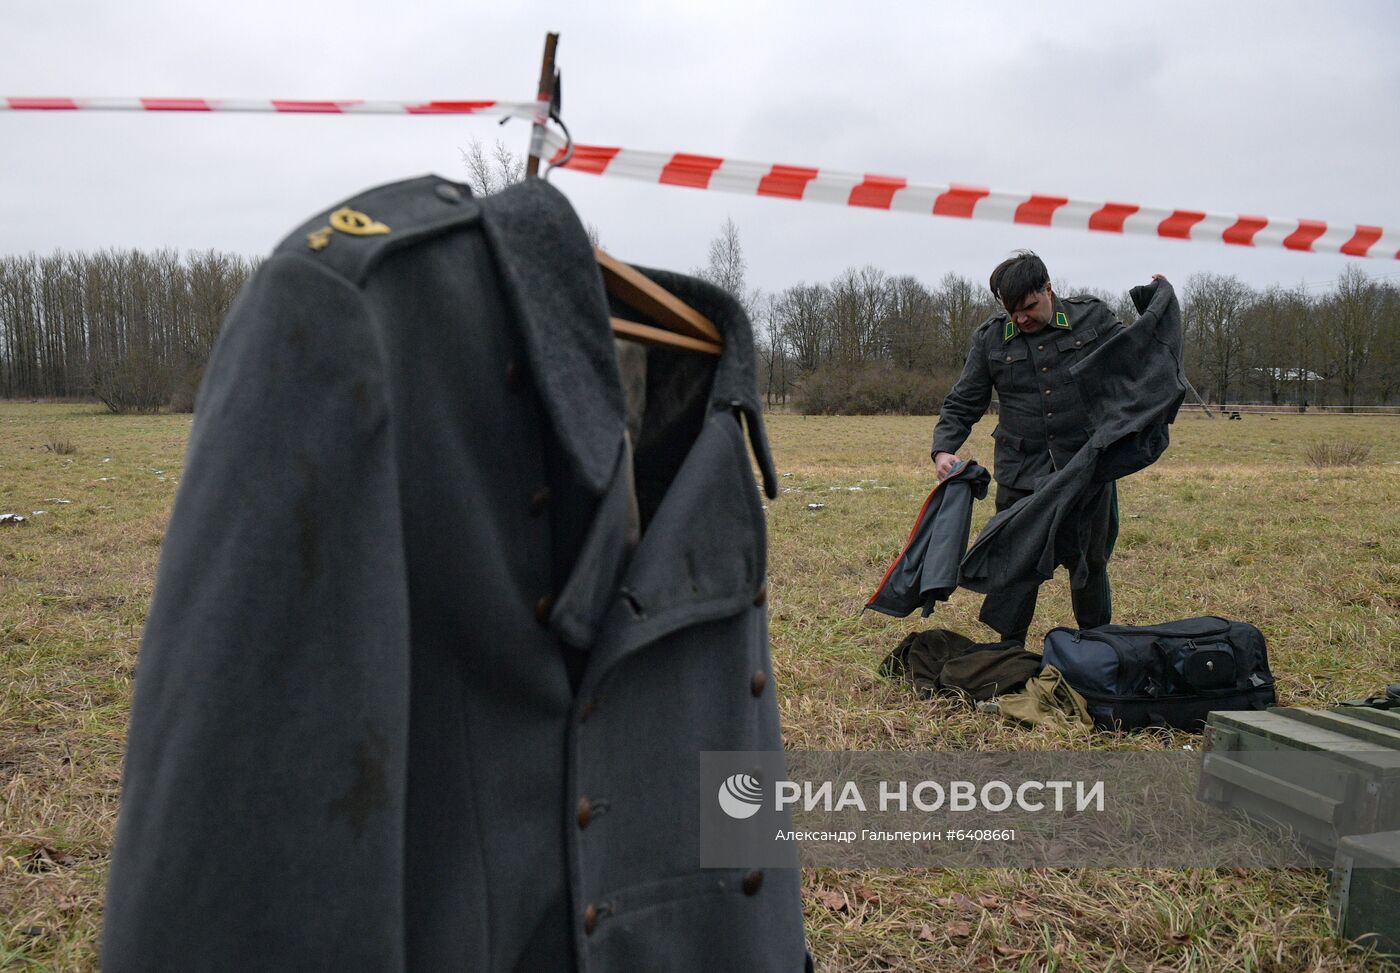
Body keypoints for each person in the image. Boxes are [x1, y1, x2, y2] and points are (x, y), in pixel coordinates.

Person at [932, 250, 1153, 645]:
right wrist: (943, 448)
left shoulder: (1092, 318)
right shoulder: (990, 338)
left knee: (1090, 560)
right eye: (1011, 310)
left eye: (1029, 306)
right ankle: (1009, 652)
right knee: (1015, 562)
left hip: (1086, 467)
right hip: (1021, 472)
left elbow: (1136, 358)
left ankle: (1097, 649)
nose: (1020, 318)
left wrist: (1154, 307)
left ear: (1048, 289)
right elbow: (965, 399)